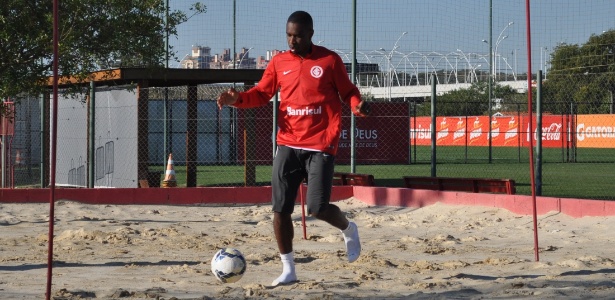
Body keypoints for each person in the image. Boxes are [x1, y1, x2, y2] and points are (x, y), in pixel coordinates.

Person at [217, 10, 370, 286]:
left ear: (311, 34)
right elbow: (262, 94)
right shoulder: (279, 62)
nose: (292, 41)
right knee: (280, 209)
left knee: (317, 208)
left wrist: (358, 106)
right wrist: (237, 98)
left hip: (321, 143)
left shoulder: (329, 60)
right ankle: (289, 270)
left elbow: (348, 92)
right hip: (288, 143)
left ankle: (348, 228)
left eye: (297, 36)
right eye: (288, 35)